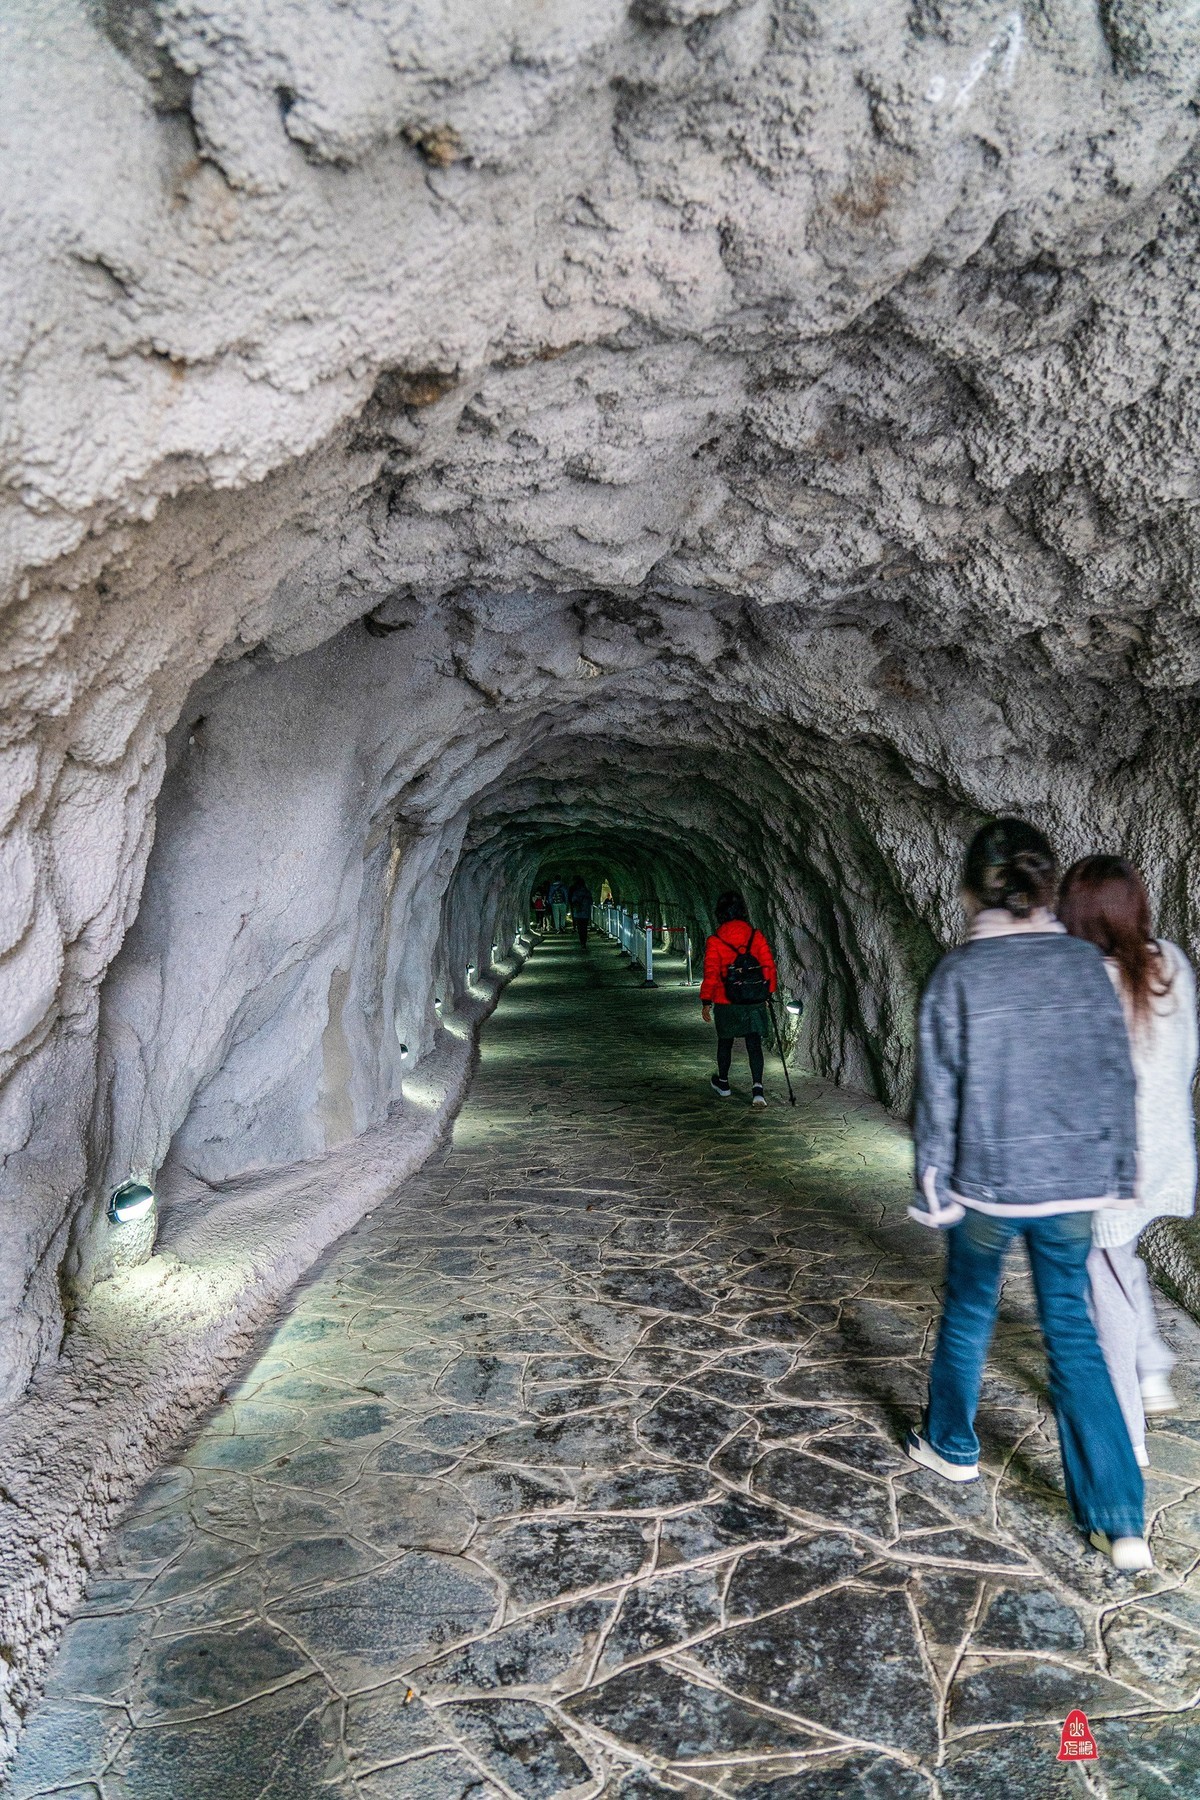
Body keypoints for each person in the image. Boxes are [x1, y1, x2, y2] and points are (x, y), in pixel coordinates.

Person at [909, 817, 1151, 1571]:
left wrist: (934, 1185)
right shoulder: (1084, 967)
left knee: (971, 1312)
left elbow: (938, 1093)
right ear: (1047, 886)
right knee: (1072, 1336)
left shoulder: (958, 975)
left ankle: (951, 1443)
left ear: (970, 888)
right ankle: (1121, 1518)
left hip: (989, 1182)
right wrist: (1118, 1173)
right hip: (1073, 1183)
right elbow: (1114, 1075)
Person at [1059, 855, 1198, 1467]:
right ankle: (1153, 1366)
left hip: (1112, 1166)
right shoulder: (1170, 961)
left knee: (1102, 1289)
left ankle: (1128, 1435)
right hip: (1167, 1151)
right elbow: (1187, 1056)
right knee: (1122, 1261)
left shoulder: (1081, 982)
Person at [700, 891, 777, 1108]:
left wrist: (706, 1000)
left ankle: (723, 1083)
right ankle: (758, 1089)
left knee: (725, 1041)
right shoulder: (755, 936)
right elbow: (768, 966)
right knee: (754, 1043)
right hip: (753, 999)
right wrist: (768, 992)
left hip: (727, 1000)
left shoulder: (716, 940)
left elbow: (712, 972)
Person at [568, 876, 593, 949]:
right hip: (585, 913)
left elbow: (573, 900)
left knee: (580, 928)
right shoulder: (587, 892)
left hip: (578, 913)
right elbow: (591, 902)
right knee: (584, 928)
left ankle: (582, 941)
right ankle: (584, 942)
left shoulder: (576, 892)